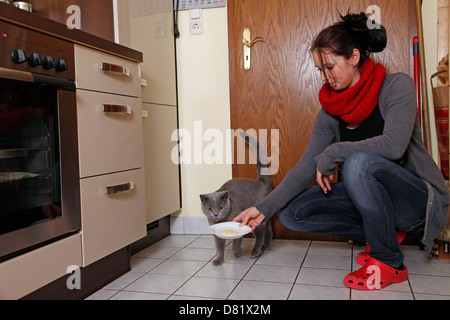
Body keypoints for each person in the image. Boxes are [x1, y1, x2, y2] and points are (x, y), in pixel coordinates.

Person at [234, 12, 449, 290]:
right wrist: (263, 209)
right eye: (319, 70)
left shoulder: (397, 87)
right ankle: (381, 233)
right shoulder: (330, 113)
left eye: (330, 67)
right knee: (290, 213)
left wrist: (335, 153)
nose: (325, 77)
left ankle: (388, 262)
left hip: (417, 200)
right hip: (376, 201)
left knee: (358, 162)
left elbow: (394, 145)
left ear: (355, 57)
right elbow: (305, 167)